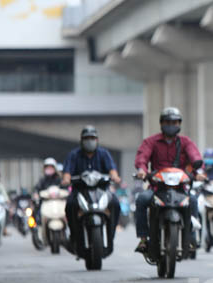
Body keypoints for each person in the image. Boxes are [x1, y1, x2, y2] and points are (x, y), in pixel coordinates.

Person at [134, 107, 204, 253]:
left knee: (193, 201)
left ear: (179, 124)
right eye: (168, 122)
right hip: (156, 189)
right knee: (141, 199)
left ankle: (191, 237)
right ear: (161, 123)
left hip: (180, 189)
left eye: (175, 122)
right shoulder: (151, 141)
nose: (171, 125)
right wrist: (142, 170)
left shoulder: (186, 142)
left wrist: (197, 171)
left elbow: (195, 156)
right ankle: (143, 239)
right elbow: (142, 157)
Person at [62, 126, 121, 256]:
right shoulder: (74, 155)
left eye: (92, 138)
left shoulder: (104, 153)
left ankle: (111, 234)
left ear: (97, 140)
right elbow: (67, 172)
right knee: (70, 205)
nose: (90, 141)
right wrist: (66, 179)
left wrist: (115, 176)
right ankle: (74, 235)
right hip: (80, 191)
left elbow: (112, 169)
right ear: (81, 140)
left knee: (116, 204)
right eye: (86, 138)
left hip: (101, 190)